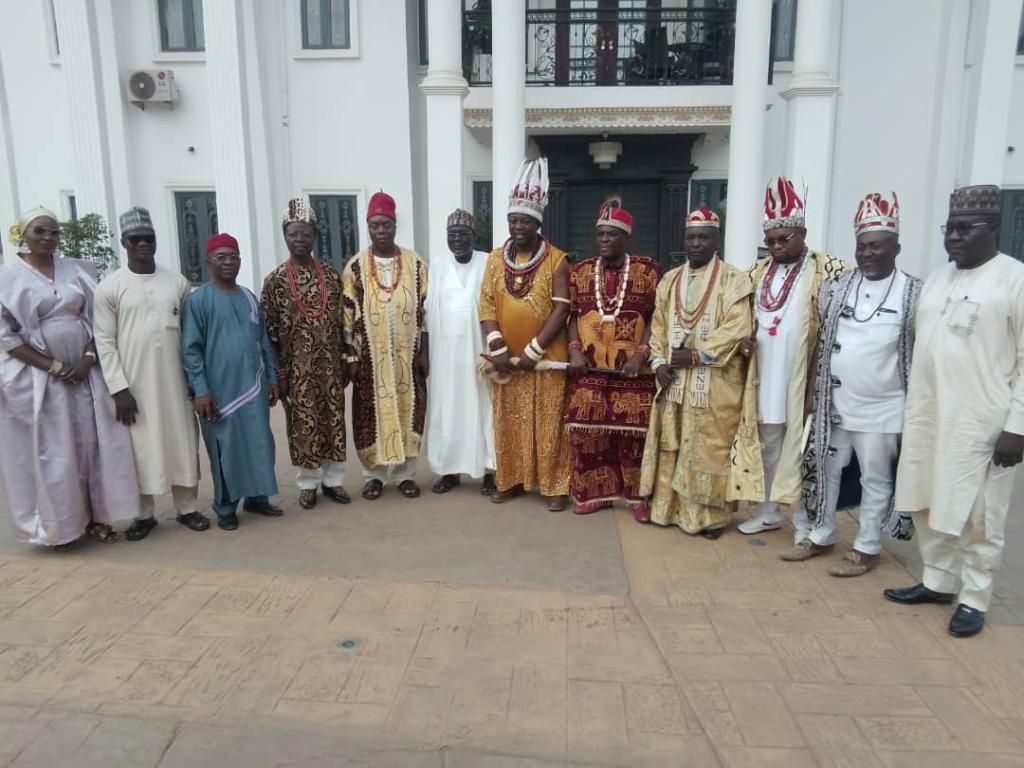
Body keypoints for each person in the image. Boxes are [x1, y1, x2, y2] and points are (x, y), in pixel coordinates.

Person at [885, 185, 1024, 638]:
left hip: (983, 422)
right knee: (927, 499)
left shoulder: (1014, 279)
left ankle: (975, 597)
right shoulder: (940, 277)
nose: (955, 238)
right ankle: (938, 581)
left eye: (966, 229)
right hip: (929, 413)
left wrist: (1017, 428)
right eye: (950, 229)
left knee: (979, 514)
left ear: (993, 229)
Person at [0, 207, 138, 547]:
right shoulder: (8, 278)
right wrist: (54, 367)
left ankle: (100, 518)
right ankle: (62, 526)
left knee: (93, 446)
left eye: (54, 232)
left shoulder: (77, 271)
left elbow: (100, 320)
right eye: (40, 232)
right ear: (24, 236)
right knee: (57, 451)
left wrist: (89, 357)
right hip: (40, 380)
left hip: (87, 375)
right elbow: (6, 335)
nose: (49, 238)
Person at [798, 193, 921, 574]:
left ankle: (867, 546)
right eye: (862, 246)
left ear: (895, 248)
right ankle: (821, 534)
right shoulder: (837, 286)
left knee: (876, 477)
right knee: (824, 469)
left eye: (876, 247)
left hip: (883, 406)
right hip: (834, 402)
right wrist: (813, 393)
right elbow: (822, 341)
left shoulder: (914, 292)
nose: (867, 254)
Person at [737, 177, 849, 537]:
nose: (776, 246)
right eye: (770, 241)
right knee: (768, 444)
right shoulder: (754, 274)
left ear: (802, 233)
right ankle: (767, 511)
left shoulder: (831, 271)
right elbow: (739, 319)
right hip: (764, 373)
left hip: (804, 373)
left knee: (802, 448)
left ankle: (803, 520)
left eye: (784, 239)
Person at [640, 207, 762, 536]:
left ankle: (711, 518)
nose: (696, 243)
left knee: (709, 450)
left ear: (715, 240)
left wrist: (694, 355)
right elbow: (659, 327)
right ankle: (667, 509)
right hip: (674, 382)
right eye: (691, 237)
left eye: (703, 237)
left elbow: (738, 328)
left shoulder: (734, 280)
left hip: (715, 384)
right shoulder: (670, 279)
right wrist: (658, 364)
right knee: (673, 445)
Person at [93, 206, 207, 540]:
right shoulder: (109, 287)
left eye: (149, 238)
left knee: (182, 442)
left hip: (175, 382)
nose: (143, 244)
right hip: (134, 386)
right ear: (124, 242)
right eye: (136, 239)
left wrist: (194, 380)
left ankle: (187, 508)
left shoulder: (178, 282)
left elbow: (191, 336)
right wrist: (119, 388)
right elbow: (103, 340)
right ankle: (144, 514)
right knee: (140, 448)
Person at [479, 157, 572, 512]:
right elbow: (486, 305)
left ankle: (554, 486)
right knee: (509, 422)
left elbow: (561, 308)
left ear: (537, 222)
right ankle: (511, 480)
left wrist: (535, 350)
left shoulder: (558, 260)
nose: (518, 225)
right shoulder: (494, 259)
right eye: (513, 219)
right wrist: (496, 344)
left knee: (549, 423)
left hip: (546, 358)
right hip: (507, 361)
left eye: (525, 220)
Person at [181, 233, 282, 531]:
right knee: (224, 448)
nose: (228, 263)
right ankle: (225, 507)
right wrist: (201, 391)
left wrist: (273, 378)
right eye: (221, 257)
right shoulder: (198, 300)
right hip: (218, 392)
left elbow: (263, 341)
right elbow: (191, 350)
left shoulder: (250, 297)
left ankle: (257, 497)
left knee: (259, 442)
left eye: (233, 257)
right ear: (209, 262)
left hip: (253, 387)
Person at [566, 199, 659, 518]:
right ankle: (596, 493)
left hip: (633, 372)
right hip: (589, 369)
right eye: (600, 234)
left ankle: (639, 498)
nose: (604, 240)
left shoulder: (649, 271)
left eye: (612, 235)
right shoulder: (580, 271)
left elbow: (656, 318)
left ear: (627, 238)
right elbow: (571, 317)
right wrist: (575, 350)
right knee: (587, 433)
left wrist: (642, 355)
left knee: (635, 437)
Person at [262, 198, 350, 510]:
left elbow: (345, 321)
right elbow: (268, 332)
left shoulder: (330, 274)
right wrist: (277, 374)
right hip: (295, 369)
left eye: (305, 234)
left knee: (332, 421)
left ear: (314, 235)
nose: (299, 240)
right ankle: (308, 483)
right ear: (285, 236)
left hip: (330, 366)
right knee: (303, 424)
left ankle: (333, 481)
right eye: (293, 234)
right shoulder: (274, 281)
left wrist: (347, 359)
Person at [342, 191, 429, 501]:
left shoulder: (416, 264)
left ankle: (406, 475)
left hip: (408, 356)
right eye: (375, 225)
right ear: (368, 227)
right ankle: (374, 476)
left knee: (410, 409)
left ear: (395, 225)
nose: (381, 230)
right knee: (370, 415)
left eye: (386, 224)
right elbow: (347, 315)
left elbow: (425, 310)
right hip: (370, 360)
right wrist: (351, 357)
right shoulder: (355, 267)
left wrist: (424, 351)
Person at [426, 208, 496, 495]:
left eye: (463, 235)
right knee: (448, 408)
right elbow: (429, 308)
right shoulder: (438, 265)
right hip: (445, 355)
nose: (457, 240)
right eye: (451, 235)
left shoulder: (488, 262)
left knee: (484, 407)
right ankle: (449, 470)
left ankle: (490, 470)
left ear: (474, 236)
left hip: (479, 351)